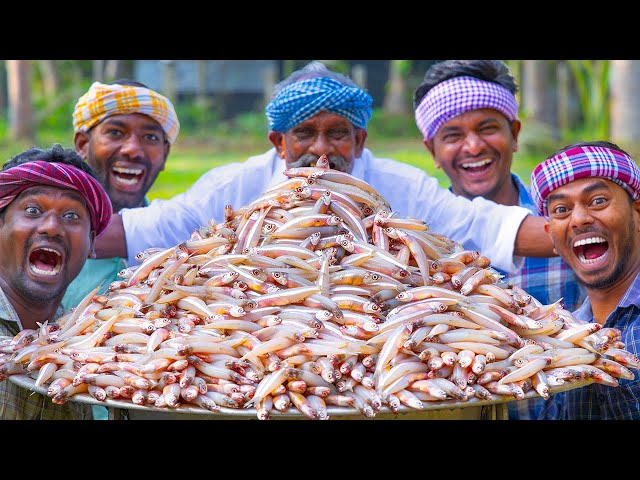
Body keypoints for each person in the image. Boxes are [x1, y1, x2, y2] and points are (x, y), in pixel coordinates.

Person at [95, 60, 555, 278]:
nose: (321, 149)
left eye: (338, 133)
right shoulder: (237, 184)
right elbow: (156, 226)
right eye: (305, 133)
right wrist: (54, 230)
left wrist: (581, 232)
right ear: (279, 143)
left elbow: (477, 224)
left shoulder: (398, 185)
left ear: (360, 140)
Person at [413, 59, 587, 420]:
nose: (473, 146)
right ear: (432, 150)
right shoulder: (419, 244)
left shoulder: (567, 224)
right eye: (453, 135)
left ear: (515, 133)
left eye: (487, 128)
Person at [0, 144, 112, 420]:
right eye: (33, 210)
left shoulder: (82, 353)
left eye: (71, 215)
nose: (51, 227)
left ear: (92, 243)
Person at [531, 141, 640, 420]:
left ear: (637, 212)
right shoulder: (558, 343)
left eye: (598, 201)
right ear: (551, 236)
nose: (578, 219)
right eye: (561, 210)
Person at [61, 79, 179, 312]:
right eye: (115, 132)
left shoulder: (177, 237)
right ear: (83, 144)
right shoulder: (46, 237)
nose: (133, 149)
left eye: (150, 137)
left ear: (165, 154)